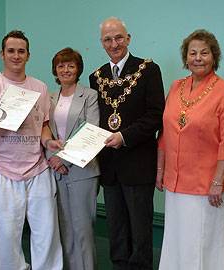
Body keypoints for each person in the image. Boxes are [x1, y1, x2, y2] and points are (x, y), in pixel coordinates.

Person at [0, 30, 63, 270]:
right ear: (2, 54)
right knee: (8, 236)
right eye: (11, 51)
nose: (16, 56)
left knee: (46, 233)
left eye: (21, 51)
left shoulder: (41, 87)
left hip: (38, 170)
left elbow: (43, 126)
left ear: (28, 55)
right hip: (4, 172)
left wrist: (48, 143)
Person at [156, 29, 224, 270]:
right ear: (185, 58)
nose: (198, 58)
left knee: (201, 244)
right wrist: (160, 170)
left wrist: (218, 181)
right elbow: (165, 133)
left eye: (204, 53)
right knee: (175, 241)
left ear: (214, 56)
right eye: (192, 53)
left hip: (207, 186)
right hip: (175, 182)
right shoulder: (176, 87)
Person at [89, 17, 165, 269]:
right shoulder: (96, 77)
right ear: (101, 43)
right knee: (116, 229)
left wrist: (124, 136)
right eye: (108, 39)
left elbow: (155, 115)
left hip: (138, 163)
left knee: (140, 229)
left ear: (128, 38)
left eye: (119, 37)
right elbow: (95, 122)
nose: (114, 44)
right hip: (109, 166)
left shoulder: (148, 70)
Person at [47, 47, 99, 270]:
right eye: (61, 65)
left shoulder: (89, 95)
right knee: (64, 227)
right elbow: (42, 130)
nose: (65, 69)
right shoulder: (48, 97)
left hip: (82, 170)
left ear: (78, 69)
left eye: (71, 65)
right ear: (55, 70)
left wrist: (64, 159)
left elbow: (91, 131)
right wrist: (53, 158)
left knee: (83, 228)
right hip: (54, 170)